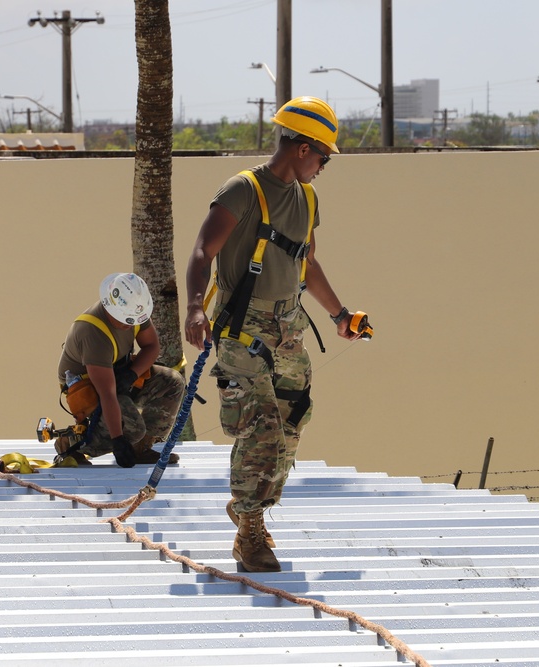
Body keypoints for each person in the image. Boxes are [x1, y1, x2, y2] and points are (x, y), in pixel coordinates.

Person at [184, 96, 367, 573]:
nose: (326, 165)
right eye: (324, 155)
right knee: (260, 427)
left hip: (289, 327)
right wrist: (193, 310)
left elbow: (307, 262)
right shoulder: (242, 190)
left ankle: (251, 505)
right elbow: (203, 252)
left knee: (293, 420)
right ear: (303, 148)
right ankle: (249, 532)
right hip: (242, 329)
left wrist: (339, 315)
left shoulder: (307, 199)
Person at [58, 272, 186, 468]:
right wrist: (118, 440)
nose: (130, 324)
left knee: (172, 382)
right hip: (92, 387)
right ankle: (74, 444)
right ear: (112, 309)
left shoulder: (134, 310)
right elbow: (107, 394)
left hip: (118, 374)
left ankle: (139, 448)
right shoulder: (93, 334)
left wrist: (132, 374)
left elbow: (151, 346)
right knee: (132, 428)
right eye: (126, 320)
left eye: (133, 320)